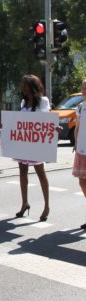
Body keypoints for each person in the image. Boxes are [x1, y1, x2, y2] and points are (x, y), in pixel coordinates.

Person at [14, 74, 51, 221]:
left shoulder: (43, 101)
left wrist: (54, 128)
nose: (23, 88)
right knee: (22, 171)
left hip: (36, 143)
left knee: (40, 172)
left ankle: (47, 205)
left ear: (32, 86)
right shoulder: (23, 102)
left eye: (25, 85)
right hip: (24, 142)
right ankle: (24, 203)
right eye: (22, 85)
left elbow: (46, 119)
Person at [73, 79, 86, 230]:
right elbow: (77, 127)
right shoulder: (81, 107)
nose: (84, 91)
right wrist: (76, 144)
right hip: (82, 150)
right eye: (83, 88)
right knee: (82, 182)